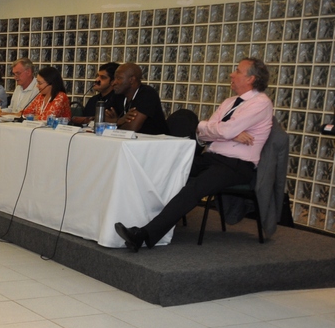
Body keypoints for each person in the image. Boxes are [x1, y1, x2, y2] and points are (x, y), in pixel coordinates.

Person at [115, 58, 273, 252]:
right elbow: (203, 132)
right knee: (166, 168)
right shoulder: (230, 102)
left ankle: (143, 235)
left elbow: (222, 131)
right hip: (212, 157)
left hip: (237, 165)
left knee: (194, 188)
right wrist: (218, 130)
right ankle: (140, 219)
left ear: (251, 79)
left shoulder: (260, 103)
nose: (232, 74)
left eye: (238, 71)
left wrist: (218, 130)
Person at [107, 62, 167, 135]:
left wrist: (113, 123)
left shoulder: (147, 94)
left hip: (153, 142)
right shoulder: (118, 94)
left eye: (119, 78)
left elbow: (133, 127)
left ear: (131, 80)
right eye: (114, 78)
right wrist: (120, 120)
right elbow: (100, 120)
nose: (113, 83)